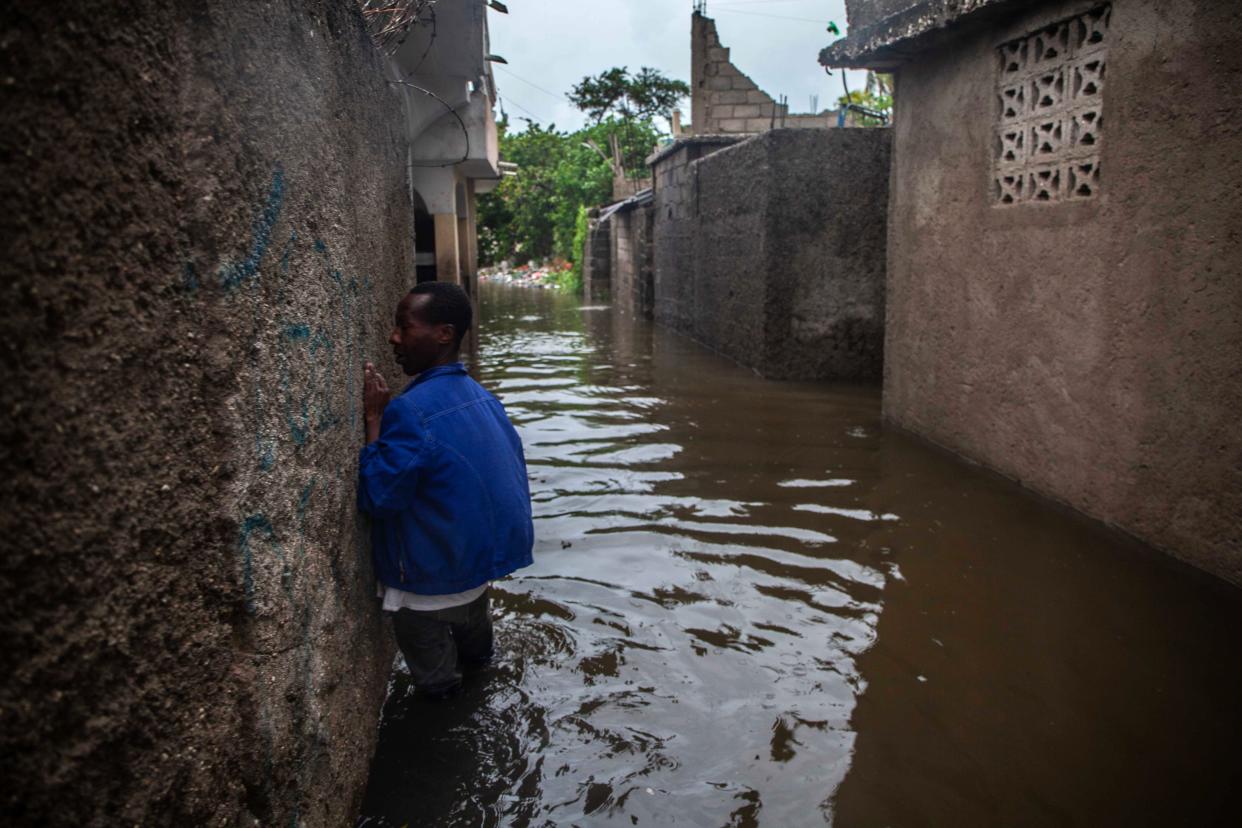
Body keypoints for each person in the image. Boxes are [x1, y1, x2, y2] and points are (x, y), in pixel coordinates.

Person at [358, 281, 533, 698]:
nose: (393, 337)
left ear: (443, 334)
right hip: (475, 581)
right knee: (480, 669)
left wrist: (374, 424)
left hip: (426, 595)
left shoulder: (408, 411)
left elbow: (379, 498)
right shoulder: (485, 399)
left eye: (404, 326)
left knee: (440, 698)